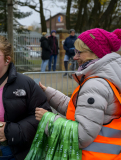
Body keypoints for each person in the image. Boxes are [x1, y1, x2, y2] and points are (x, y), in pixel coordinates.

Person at [35, 28, 121, 159]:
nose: (75, 57)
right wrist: (49, 93)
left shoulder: (95, 85)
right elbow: (82, 111)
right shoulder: (107, 79)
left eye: (79, 52)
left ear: (95, 53)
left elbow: (81, 136)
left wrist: (48, 119)